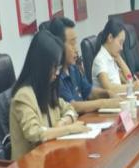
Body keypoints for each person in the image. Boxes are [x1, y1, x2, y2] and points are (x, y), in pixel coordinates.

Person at [9, 31, 88, 159]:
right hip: (30, 166)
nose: (57, 72)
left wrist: (63, 122)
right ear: (41, 66)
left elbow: (70, 109)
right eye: (54, 67)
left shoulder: (47, 88)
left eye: (58, 67)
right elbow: (34, 133)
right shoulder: (24, 96)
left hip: (52, 157)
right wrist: (69, 129)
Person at [47, 17, 123, 113]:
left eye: (75, 43)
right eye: (72, 44)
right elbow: (73, 106)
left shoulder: (73, 68)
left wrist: (108, 94)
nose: (76, 49)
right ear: (58, 45)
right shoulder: (55, 76)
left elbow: (89, 92)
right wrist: (104, 103)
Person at [92, 19, 139, 94]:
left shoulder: (111, 56)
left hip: (118, 98)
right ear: (110, 38)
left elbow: (129, 78)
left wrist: (119, 59)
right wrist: (131, 87)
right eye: (120, 42)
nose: (121, 48)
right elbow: (108, 88)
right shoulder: (100, 60)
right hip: (110, 101)